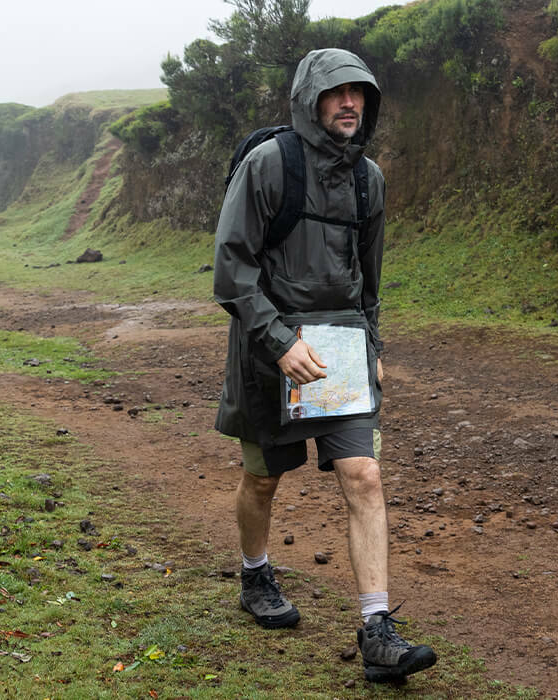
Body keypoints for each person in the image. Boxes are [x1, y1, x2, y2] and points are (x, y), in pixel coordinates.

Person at [213, 48, 437, 683]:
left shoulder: (370, 178)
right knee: (262, 479)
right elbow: (232, 271)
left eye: (360, 93)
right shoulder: (268, 164)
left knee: (363, 475)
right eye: (337, 92)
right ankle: (256, 574)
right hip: (269, 348)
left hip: (341, 350)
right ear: (310, 99)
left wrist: (374, 347)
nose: (350, 103)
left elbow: (369, 279)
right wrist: (280, 343)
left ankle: (377, 630)